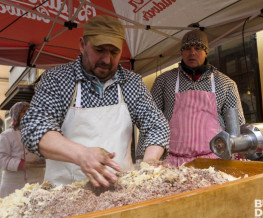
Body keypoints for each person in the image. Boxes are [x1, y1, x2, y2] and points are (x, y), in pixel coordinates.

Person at [21, 15, 170, 188]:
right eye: (99, 50)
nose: (107, 60)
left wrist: (149, 162)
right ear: (82, 45)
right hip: (65, 193)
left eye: (114, 52)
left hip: (121, 190)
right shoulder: (57, 79)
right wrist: (80, 154)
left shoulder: (132, 83)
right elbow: (34, 128)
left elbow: (157, 125)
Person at [151, 29, 245, 167]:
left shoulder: (225, 83)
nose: (192, 53)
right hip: (171, 163)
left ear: (206, 51)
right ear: (181, 52)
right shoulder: (164, 81)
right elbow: (151, 122)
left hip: (214, 161)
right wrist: (148, 160)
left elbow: (236, 126)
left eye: (198, 48)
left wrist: (237, 157)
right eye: (187, 48)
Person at [0, 102, 45, 198]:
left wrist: (43, 160)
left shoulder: (39, 133)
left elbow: (43, 152)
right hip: (14, 184)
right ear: (16, 114)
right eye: (24, 111)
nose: (28, 113)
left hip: (37, 181)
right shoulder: (6, 135)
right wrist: (22, 164)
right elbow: (1, 159)